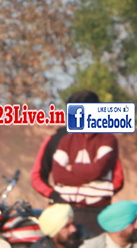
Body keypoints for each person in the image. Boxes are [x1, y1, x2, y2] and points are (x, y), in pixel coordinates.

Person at [47, 91, 126, 236]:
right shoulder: (66, 140)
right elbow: (58, 175)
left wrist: (72, 168)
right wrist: (89, 178)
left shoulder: (107, 139)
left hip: (97, 213)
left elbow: (98, 170)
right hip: (69, 212)